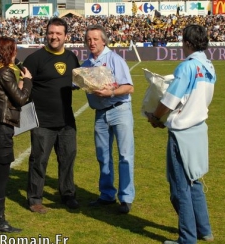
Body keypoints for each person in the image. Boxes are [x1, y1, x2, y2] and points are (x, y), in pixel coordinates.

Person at [146, 24, 215, 243]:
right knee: (194, 180)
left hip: (182, 131)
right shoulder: (210, 66)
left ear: (186, 42)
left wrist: (155, 117)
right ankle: (204, 230)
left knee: (180, 188)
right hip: (199, 128)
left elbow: (169, 100)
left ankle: (187, 238)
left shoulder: (187, 67)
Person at [22, 17, 80, 214]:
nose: (54, 37)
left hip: (67, 121)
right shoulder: (34, 59)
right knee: (39, 160)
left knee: (67, 158)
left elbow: (77, 82)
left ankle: (68, 194)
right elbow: (24, 88)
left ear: (66, 36)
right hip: (42, 121)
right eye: (51, 33)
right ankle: (35, 198)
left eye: (58, 33)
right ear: (46, 34)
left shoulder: (72, 57)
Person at [0, 36, 32, 232]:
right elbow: (21, 99)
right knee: (2, 176)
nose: (16, 54)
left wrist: (18, 84)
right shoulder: (6, 72)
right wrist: (27, 82)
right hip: (0, 127)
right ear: (8, 52)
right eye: (14, 50)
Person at [82, 25, 135, 214]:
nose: (91, 42)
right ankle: (106, 195)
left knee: (125, 156)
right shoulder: (86, 64)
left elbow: (129, 87)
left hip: (119, 110)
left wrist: (111, 92)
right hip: (100, 114)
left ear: (103, 41)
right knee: (103, 156)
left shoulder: (115, 59)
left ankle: (126, 198)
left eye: (95, 39)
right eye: (88, 39)